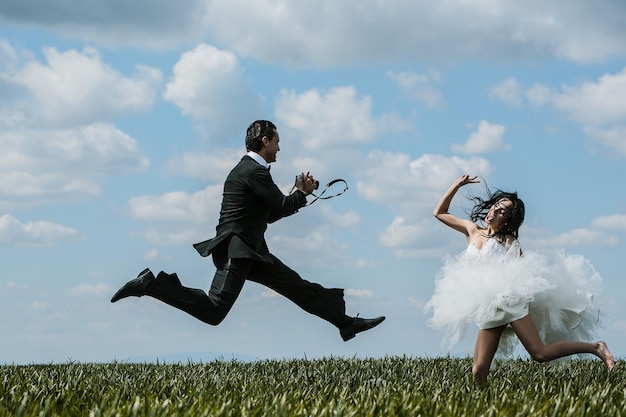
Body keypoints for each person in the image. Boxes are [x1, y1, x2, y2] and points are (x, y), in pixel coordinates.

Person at [111, 120, 385, 342]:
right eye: (277, 142)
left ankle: (345, 324)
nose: (279, 148)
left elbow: (271, 214)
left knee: (297, 287)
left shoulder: (251, 171)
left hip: (250, 250)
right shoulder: (253, 171)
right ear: (265, 141)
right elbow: (280, 204)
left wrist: (300, 195)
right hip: (238, 251)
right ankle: (153, 284)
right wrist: (301, 193)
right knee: (215, 311)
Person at [425, 174, 614, 383]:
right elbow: (439, 213)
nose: (495, 211)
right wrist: (457, 185)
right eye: (496, 206)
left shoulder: (508, 240)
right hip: (486, 306)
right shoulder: (472, 230)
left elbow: (521, 272)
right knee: (478, 370)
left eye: (502, 211)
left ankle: (596, 347)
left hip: (508, 303)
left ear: (507, 219)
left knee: (539, 354)